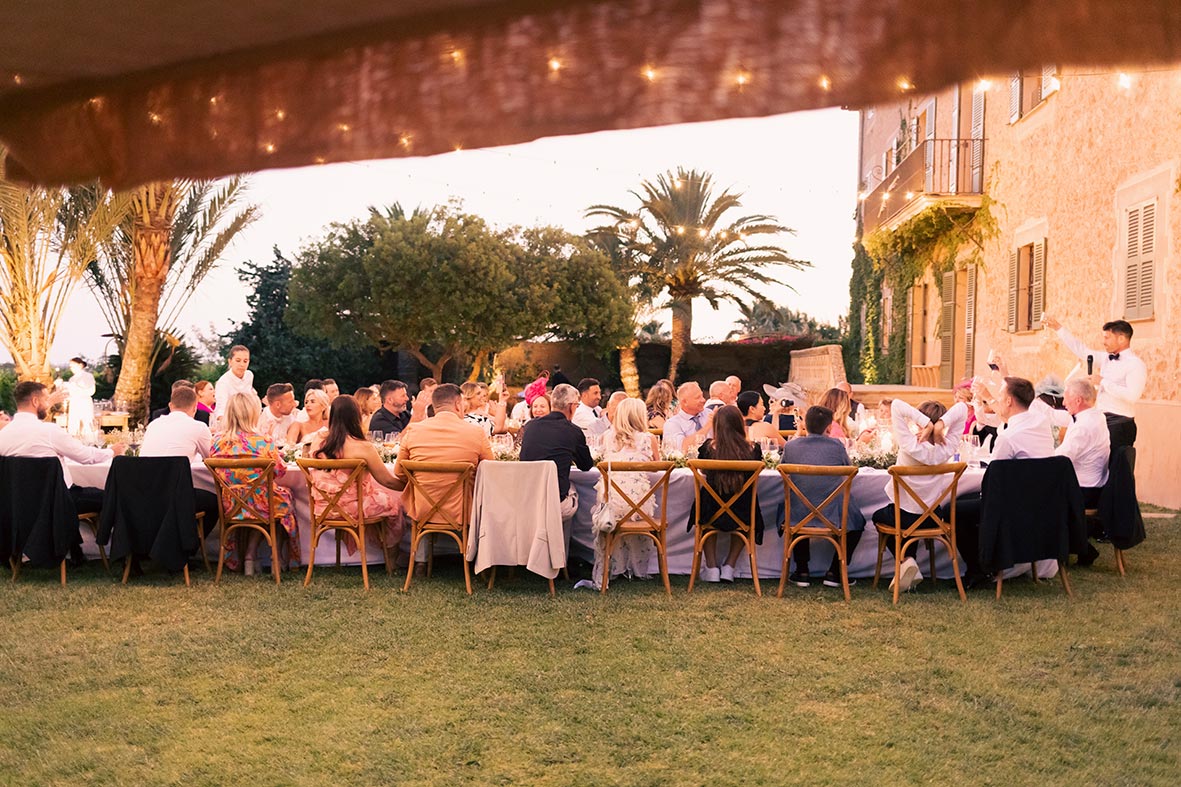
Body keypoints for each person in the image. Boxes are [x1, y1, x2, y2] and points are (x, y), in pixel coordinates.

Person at [390, 384, 493, 574]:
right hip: (462, 509)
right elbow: (492, 471)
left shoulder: (413, 431)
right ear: (457, 404)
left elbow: (399, 472)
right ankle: (476, 558)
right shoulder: (476, 433)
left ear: (434, 406)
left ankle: (420, 561)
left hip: (422, 508)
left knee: (418, 494)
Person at [870, 397, 967, 592]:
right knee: (903, 515)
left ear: (917, 421)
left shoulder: (909, 445)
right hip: (934, 519)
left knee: (880, 516)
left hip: (904, 518)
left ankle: (906, 560)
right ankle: (908, 565)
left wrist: (927, 424)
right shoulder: (947, 448)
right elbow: (963, 408)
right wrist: (941, 425)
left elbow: (897, 405)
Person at [0, 380, 127, 525]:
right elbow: (86, 456)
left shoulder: (3, 434)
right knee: (114, 496)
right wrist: (111, 452)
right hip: (58, 502)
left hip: (16, 505)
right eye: (46, 399)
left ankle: (70, 544)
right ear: (35, 401)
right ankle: (120, 545)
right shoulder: (48, 431)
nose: (49, 404)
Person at [209, 391, 299, 576]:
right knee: (282, 497)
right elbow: (280, 471)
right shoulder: (262, 442)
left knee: (265, 497)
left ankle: (250, 557)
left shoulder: (217, 442)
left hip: (231, 505)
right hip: (261, 504)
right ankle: (277, 559)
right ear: (252, 413)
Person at [306, 395, 405, 556]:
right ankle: (391, 556)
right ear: (356, 417)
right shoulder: (363, 447)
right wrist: (410, 484)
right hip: (353, 509)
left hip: (323, 508)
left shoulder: (318, 441)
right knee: (394, 504)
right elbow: (387, 481)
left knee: (375, 498)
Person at [780, 405, 865, 588]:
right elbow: (849, 471)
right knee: (857, 520)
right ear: (828, 427)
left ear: (805, 424)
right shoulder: (837, 446)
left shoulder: (791, 446)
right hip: (832, 513)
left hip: (797, 514)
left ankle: (802, 570)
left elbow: (782, 471)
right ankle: (835, 571)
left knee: (796, 503)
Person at [583, 398, 661, 589]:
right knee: (640, 498)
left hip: (612, 507)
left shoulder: (606, 437)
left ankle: (614, 566)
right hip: (638, 507)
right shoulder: (648, 439)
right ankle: (636, 568)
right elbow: (657, 468)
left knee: (609, 499)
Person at [687, 405, 764, 583]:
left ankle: (712, 567)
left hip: (711, 510)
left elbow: (703, 470)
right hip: (743, 510)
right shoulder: (753, 449)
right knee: (745, 502)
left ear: (717, 426)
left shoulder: (708, 448)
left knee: (707, 501)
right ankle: (729, 566)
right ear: (739, 424)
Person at [1043, 315, 1146, 448]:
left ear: (1121, 339)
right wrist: (1059, 328)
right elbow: (1081, 350)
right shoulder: (1106, 358)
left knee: (1116, 467)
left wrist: (1103, 381)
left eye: (1107, 337)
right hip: (1102, 420)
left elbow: (1132, 396)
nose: (1104, 341)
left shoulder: (1135, 364)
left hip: (1120, 424)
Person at [140, 384, 219, 534]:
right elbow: (213, 458)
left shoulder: (153, 425)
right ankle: (189, 545)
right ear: (195, 407)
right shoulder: (199, 427)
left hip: (145, 492)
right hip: (175, 495)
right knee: (215, 502)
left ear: (170, 405)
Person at [520, 383, 594, 526]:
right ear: (572, 406)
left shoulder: (529, 427)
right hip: (556, 503)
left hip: (528, 499)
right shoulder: (573, 431)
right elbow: (586, 466)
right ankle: (565, 545)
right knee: (573, 488)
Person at [1055, 378, 1110, 509]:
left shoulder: (1084, 427)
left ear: (1078, 400)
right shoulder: (1096, 416)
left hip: (1084, 492)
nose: (1063, 403)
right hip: (1093, 487)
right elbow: (1052, 415)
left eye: (1065, 398)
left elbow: (1061, 460)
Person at [662, 381, 713, 452]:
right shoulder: (672, 424)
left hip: (713, 461)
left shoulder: (709, 414)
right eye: (698, 397)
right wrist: (708, 426)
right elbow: (682, 449)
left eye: (702, 395)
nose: (703, 400)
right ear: (684, 402)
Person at [213, 345, 254, 429]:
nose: (242, 364)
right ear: (230, 361)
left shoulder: (249, 375)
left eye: (245, 361)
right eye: (238, 360)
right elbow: (221, 409)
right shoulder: (223, 382)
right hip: (229, 424)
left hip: (247, 422)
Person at [56, 357, 96, 436]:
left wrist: (73, 387)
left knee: (87, 427)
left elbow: (91, 391)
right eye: (70, 366)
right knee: (74, 428)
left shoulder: (88, 376)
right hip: (74, 405)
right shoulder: (72, 379)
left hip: (85, 404)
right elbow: (70, 394)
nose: (71, 368)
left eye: (73, 366)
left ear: (80, 365)